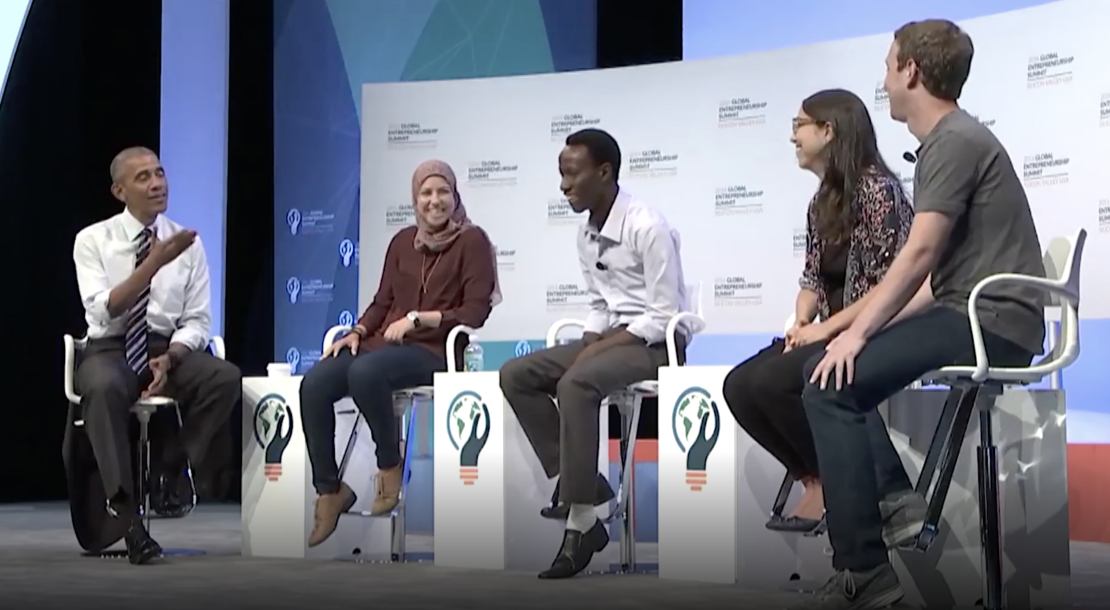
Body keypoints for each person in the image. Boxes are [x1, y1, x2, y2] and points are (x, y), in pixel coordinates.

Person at [792, 20, 1047, 610]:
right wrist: (849, 332)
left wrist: (854, 331)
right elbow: (934, 281)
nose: (883, 81)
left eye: (887, 66)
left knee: (827, 385)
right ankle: (897, 508)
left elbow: (921, 254)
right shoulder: (950, 142)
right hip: (975, 312)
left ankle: (866, 567)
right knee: (830, 373)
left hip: (990, 323)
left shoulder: (954, 141)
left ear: (911, 71)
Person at [721, 89, 925, 537]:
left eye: (799, 125)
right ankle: (815, 476)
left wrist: (826, 330)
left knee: (789, 376)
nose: (792, 137)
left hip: (879, 328)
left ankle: (888, 493)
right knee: (740, 385)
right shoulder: (820, 202)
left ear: (828, 131)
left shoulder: (879, 192)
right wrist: (801, 322)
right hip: (832, 328)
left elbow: (893, 288)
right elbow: (813, 277)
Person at [500, 128, 692, 580]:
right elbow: (601, 304)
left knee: (576, 382)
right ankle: (583, 482)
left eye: (571, 174)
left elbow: (664, 313)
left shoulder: (647, 225)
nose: (564, 185)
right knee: (515, 374)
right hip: (614, 339)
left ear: (604, 173)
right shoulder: (586, 233)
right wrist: (590, 339)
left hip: (659, 343)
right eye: (561, 175)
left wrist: (598, 349)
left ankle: (581, 520)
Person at [299, 159, 499, 548]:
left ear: (455, 197)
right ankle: (329, 490)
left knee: (366, 373)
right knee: (316, 382)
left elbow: (476, 310)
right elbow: (381, 302)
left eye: (443, 192)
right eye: (426, 192)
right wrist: (357, 330)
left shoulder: (473, 241)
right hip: (383, 346)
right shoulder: (402, 241)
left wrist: (419, 320)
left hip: (436, 350)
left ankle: (389, 467)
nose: (435, 200)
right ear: (415, 199)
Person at [67, 146, 242, 565]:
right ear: (119, 190)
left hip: (164, 348)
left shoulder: (187, 243)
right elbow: (101, 309)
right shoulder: (93, 240)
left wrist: (175, 356)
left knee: (225, 377)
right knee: (105, 388)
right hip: (111, 347)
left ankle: (170, 466)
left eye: (160, 173)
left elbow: (198, 319)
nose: (157, 183)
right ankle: (128, 520)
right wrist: (155, 260)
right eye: (143, 177)